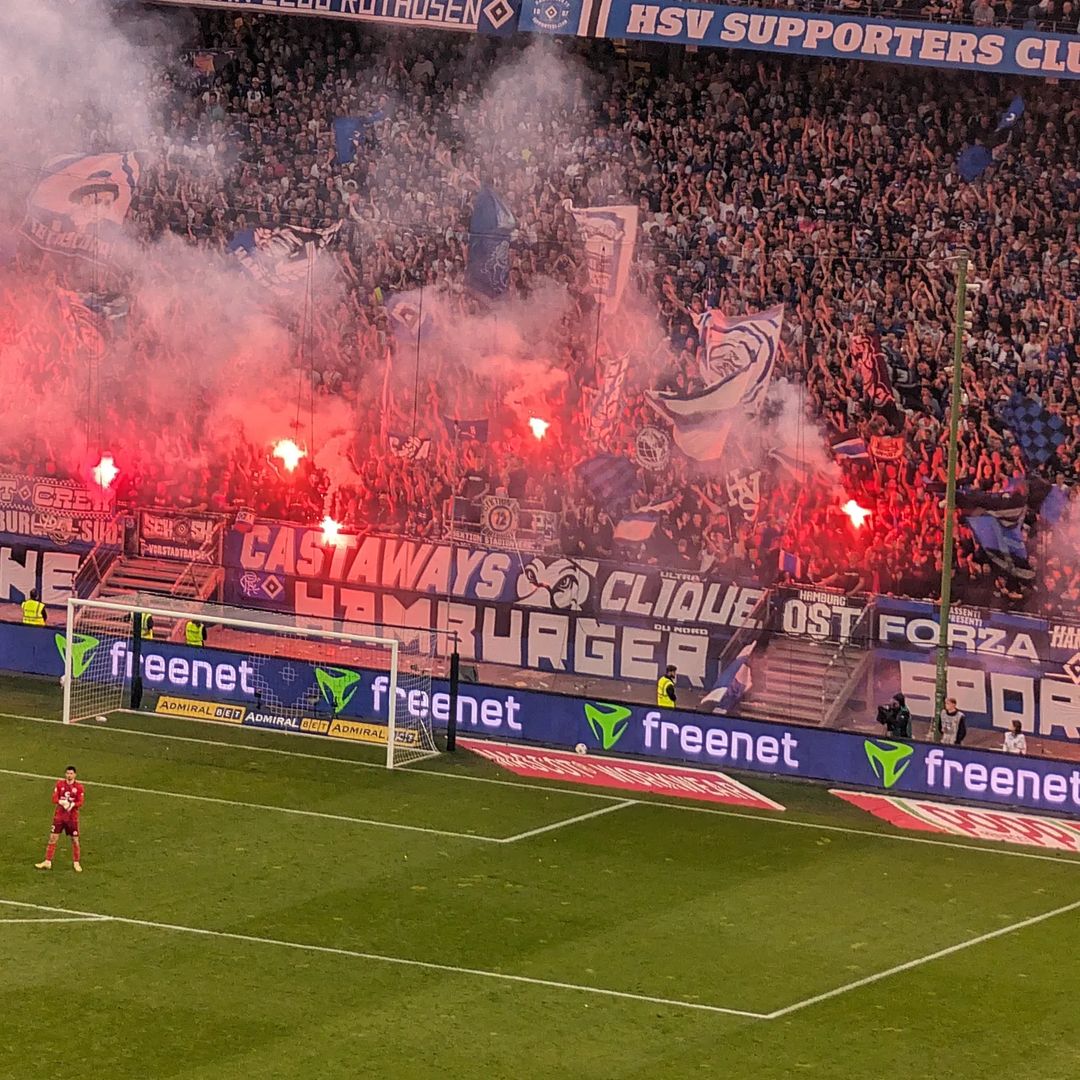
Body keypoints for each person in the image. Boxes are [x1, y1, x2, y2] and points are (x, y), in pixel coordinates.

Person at [35, 765, 84, 872]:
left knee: (75, 840)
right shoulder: (60, 784)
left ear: (75, 775)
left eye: (71, 773)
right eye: (67, 773)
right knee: (53, 838)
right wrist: (61, 802)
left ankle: (76, 862)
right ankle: (47, 861)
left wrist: (72, 805)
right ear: (65, 774)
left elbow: (81, 801)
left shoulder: (79, 787)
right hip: (59, 817)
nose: (69, 775)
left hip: (72, 818)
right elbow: (54, 798)